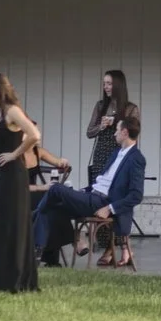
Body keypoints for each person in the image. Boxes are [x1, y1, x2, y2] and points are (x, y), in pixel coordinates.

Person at [38, 105, 146, 269]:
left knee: (55, 189)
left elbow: (136, 195)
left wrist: (110, 208)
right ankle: (49, 256)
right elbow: (102, 182)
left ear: (125, 133)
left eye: (117, 130)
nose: (114, 134)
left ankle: (36, 227)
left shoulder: (136, 158)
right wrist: (83, 191)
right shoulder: (116, 153)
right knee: (54, 208)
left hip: (102, 202)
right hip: (92, 195)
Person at [0, 73, 42, 294]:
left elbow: (34, 134)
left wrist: (15, 154)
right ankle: (1, 280)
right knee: (4, 226)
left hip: (14, 176)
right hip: (4, 177)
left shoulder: (12, 111)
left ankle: (14, 280)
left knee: (13, 226)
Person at [82, 71, 131, 184]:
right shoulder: (100, 105)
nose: (106, 87)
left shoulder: (130, 108)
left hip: (120, 153)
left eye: (109, 84)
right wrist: (101, 126)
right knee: (98, 187)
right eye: (104, 84)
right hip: (101, 154)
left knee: (117, 187)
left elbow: (133, 133)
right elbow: (89, 132)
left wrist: (116, 122)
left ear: (118, 85)